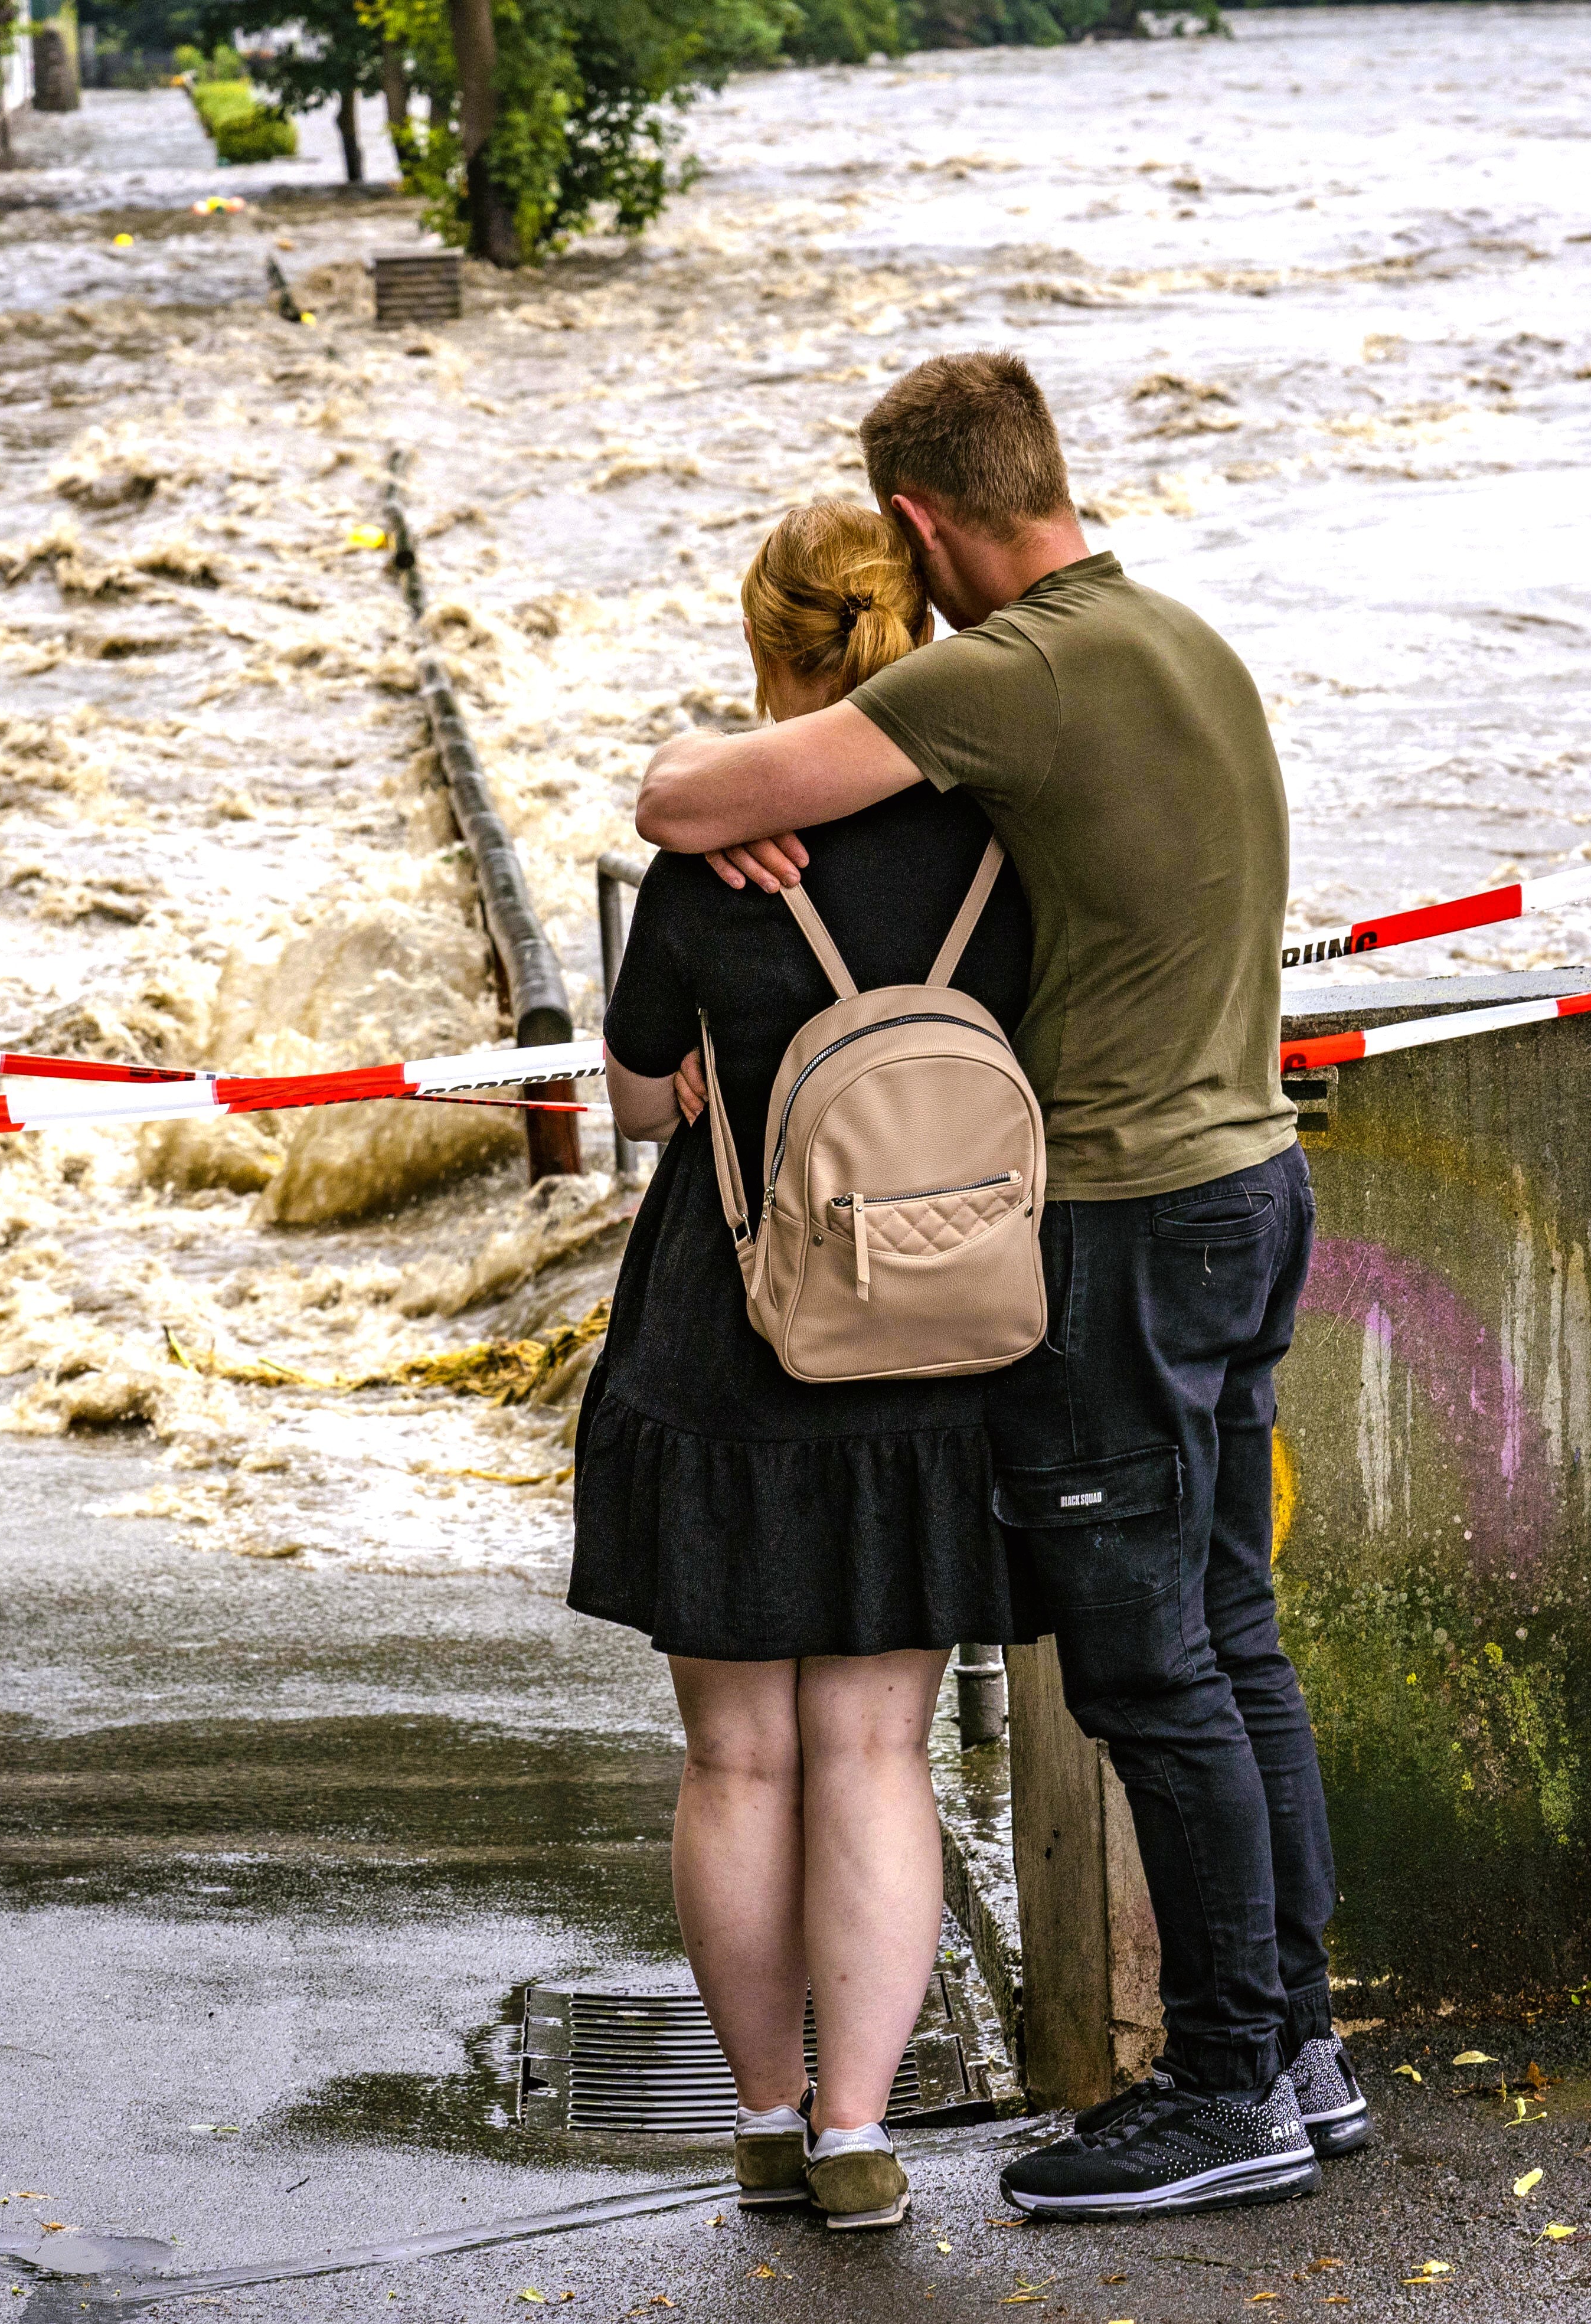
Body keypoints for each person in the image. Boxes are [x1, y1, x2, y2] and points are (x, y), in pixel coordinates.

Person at [631, 352, 1363, 2219]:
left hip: (1120, 1221)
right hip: (1253, 1180)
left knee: (1148, 1669)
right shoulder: (1180, 636)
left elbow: (688, 790)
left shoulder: (1006, 669)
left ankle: (1220, 2093)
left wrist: (723, 811)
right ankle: (1294, 2045)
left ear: (922, 528)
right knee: (1233, 1637)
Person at [573, 500, 1040, 2235]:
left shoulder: (713, 854)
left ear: (767, 645)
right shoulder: (1004, 841)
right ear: (912, 629)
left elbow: (631, 1097)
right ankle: (859, 2133)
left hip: (725, 1333)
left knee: (739, 1767)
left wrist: (700, 1063)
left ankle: (761, 2115)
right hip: (927, 1340)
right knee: (873, 1756)